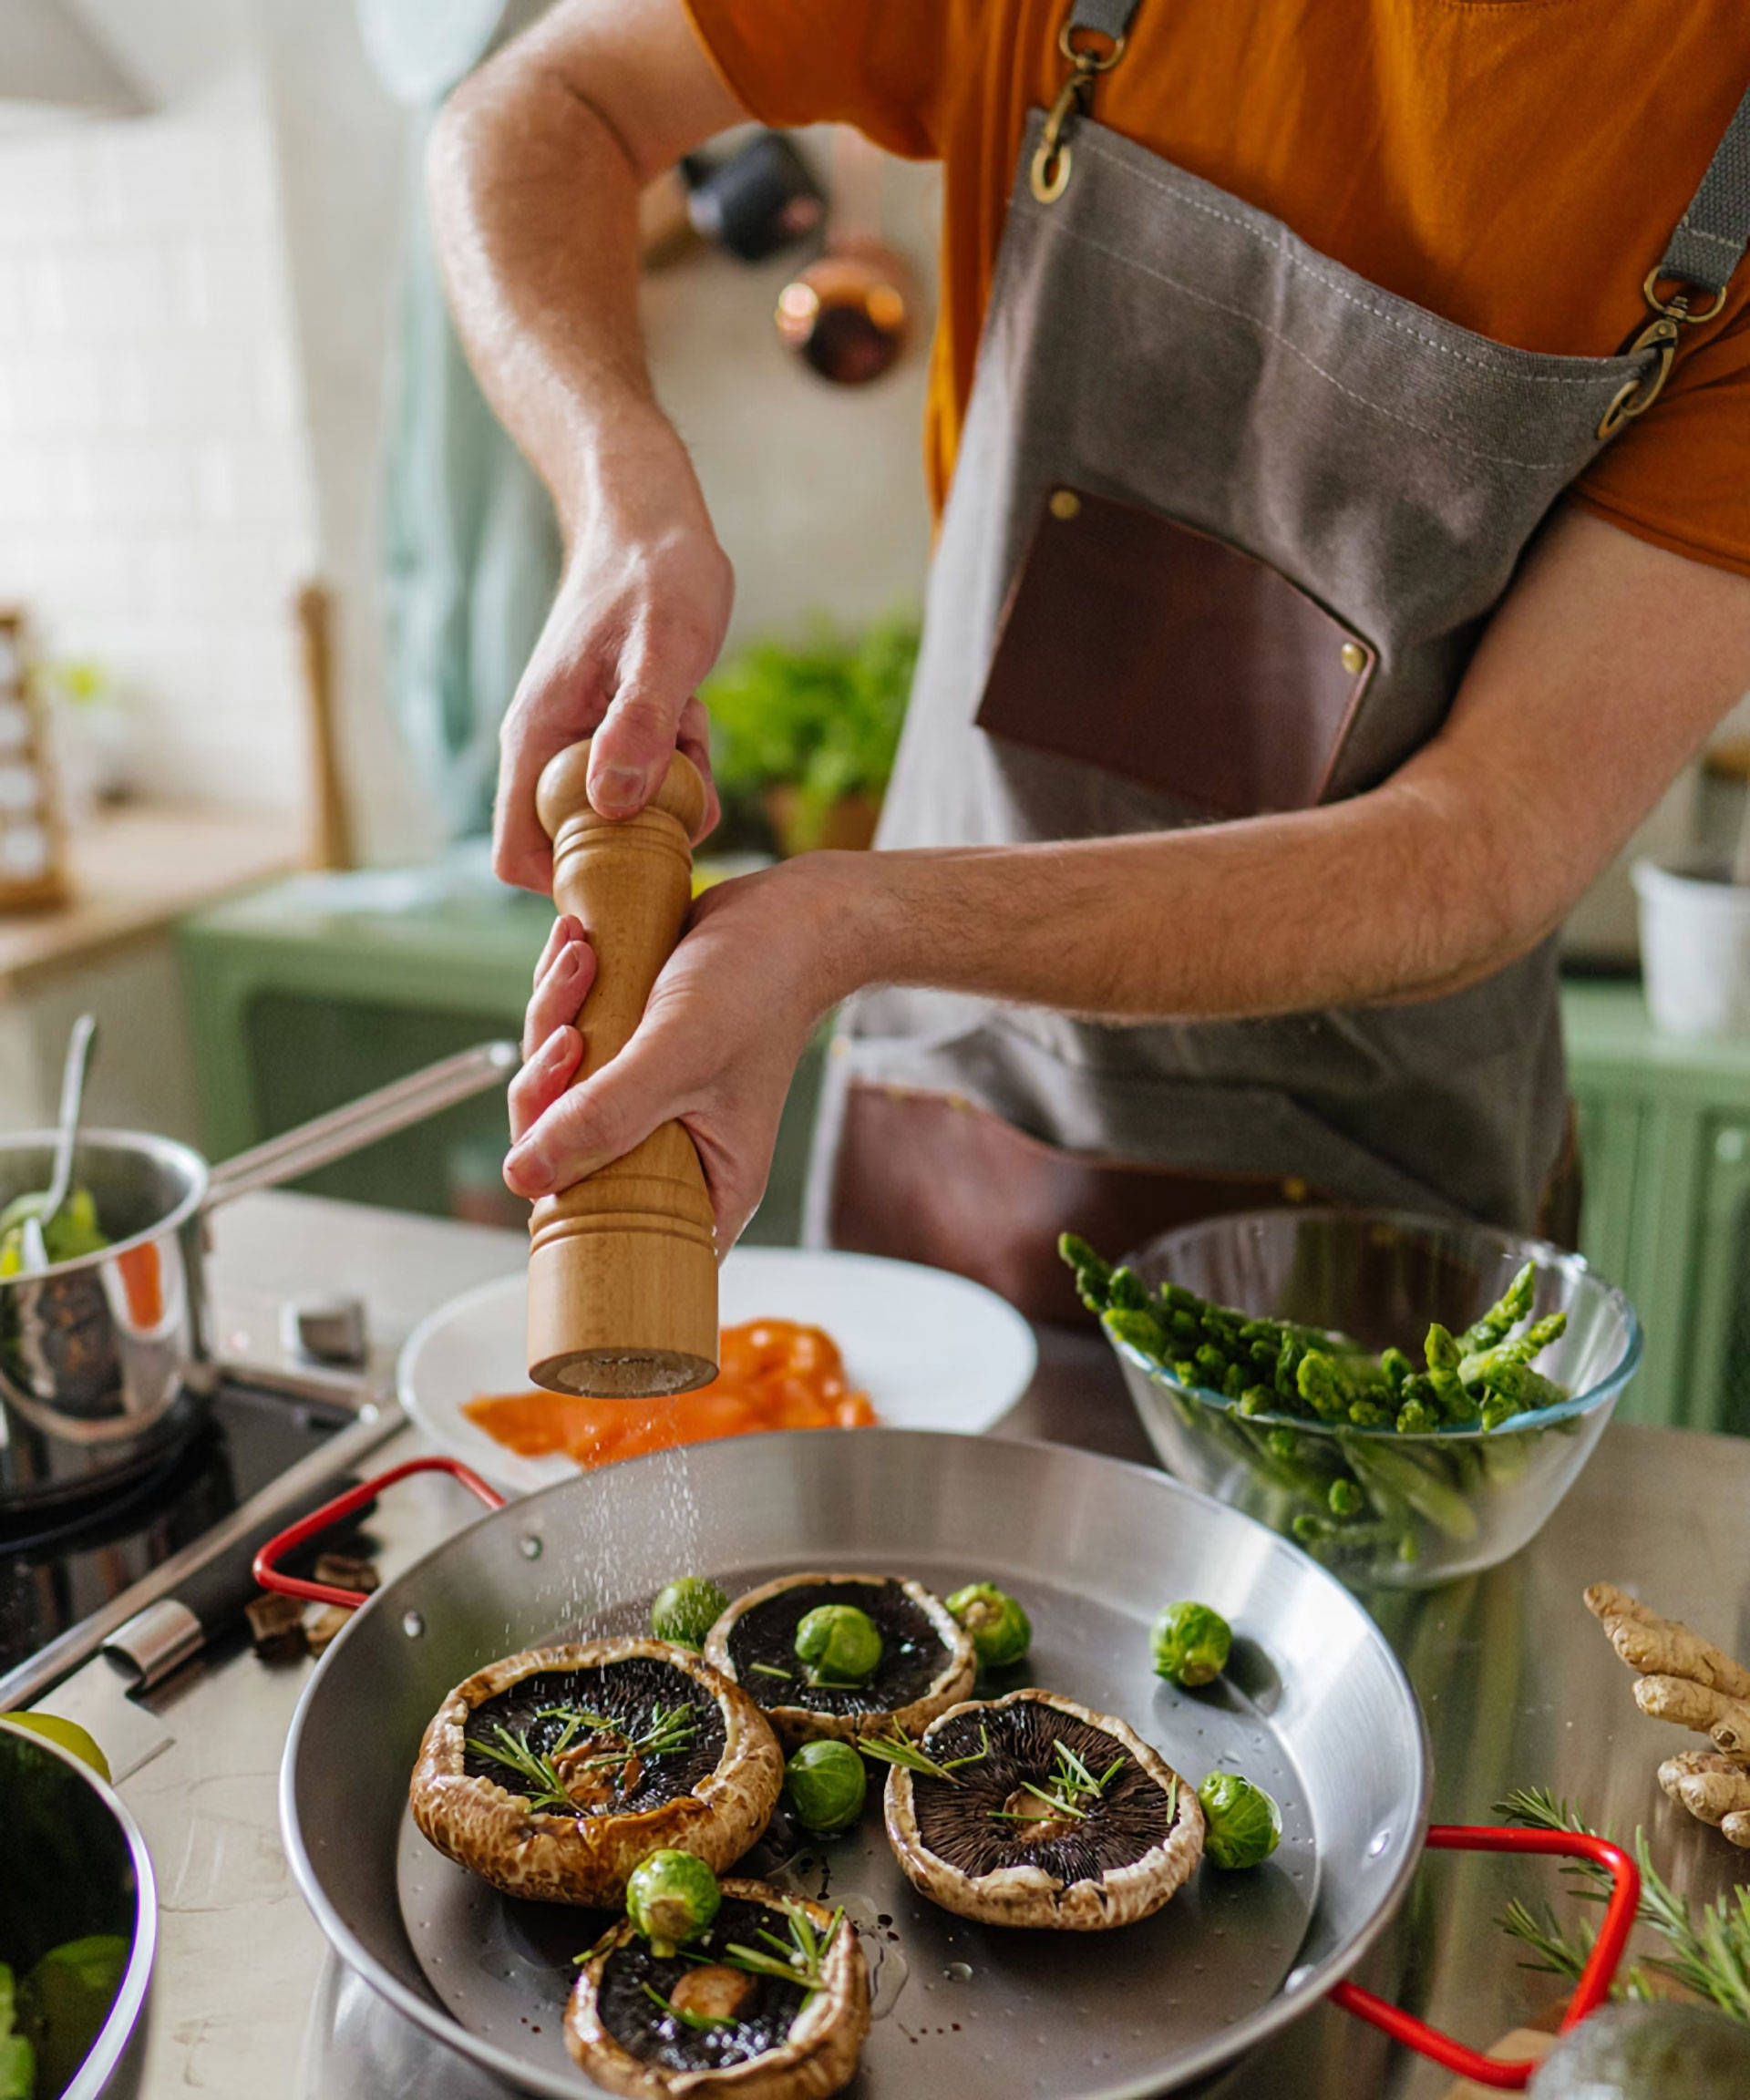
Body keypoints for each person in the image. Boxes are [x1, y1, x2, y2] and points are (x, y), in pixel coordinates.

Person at [429, 0, 1750, 1316]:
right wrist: (623, 503)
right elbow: (541, 108)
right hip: (950, 1102)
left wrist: (853, 923)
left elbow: (1484, 847)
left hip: (1376, 1223)